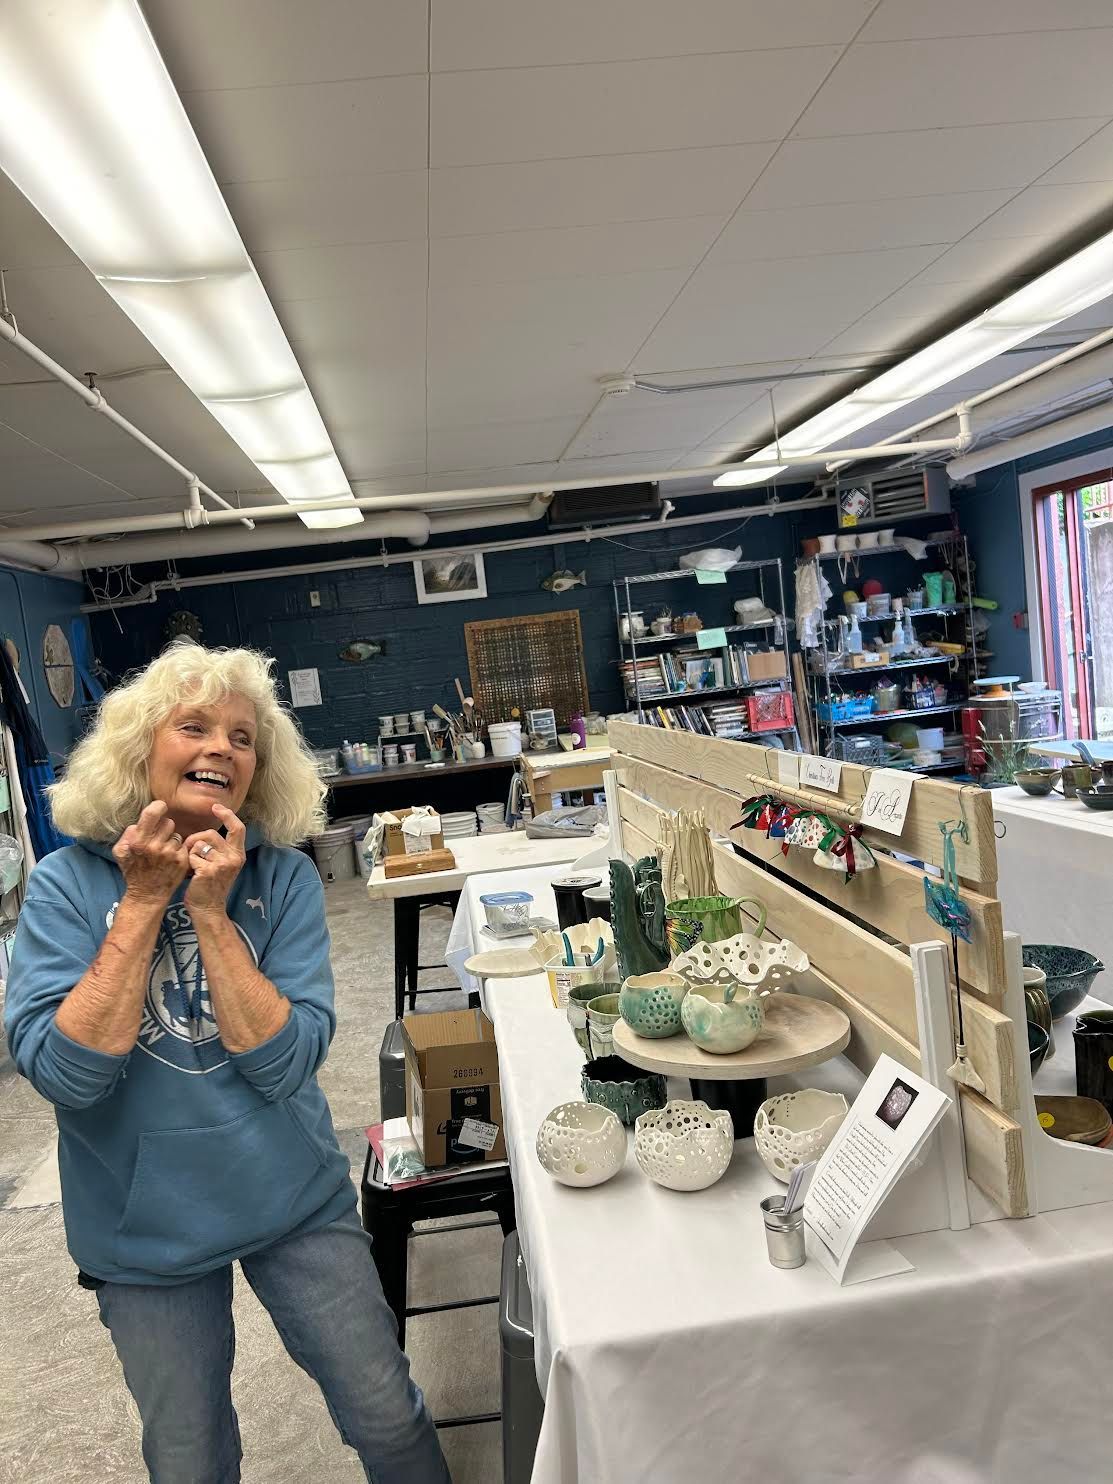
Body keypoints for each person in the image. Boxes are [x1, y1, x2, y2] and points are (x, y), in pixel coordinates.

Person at [3, 642, 450, 1484]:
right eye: (195, 727)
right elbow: (65, 1077)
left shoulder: (280, 882)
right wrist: (142, 901)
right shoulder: (65, 888)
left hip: (291, 1198)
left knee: (387, 1416)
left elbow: (283, 1068)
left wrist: (210, 910)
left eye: (243, 738)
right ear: (140, 752)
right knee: (190, 1457)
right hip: (141, 1231)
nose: (221, 748)